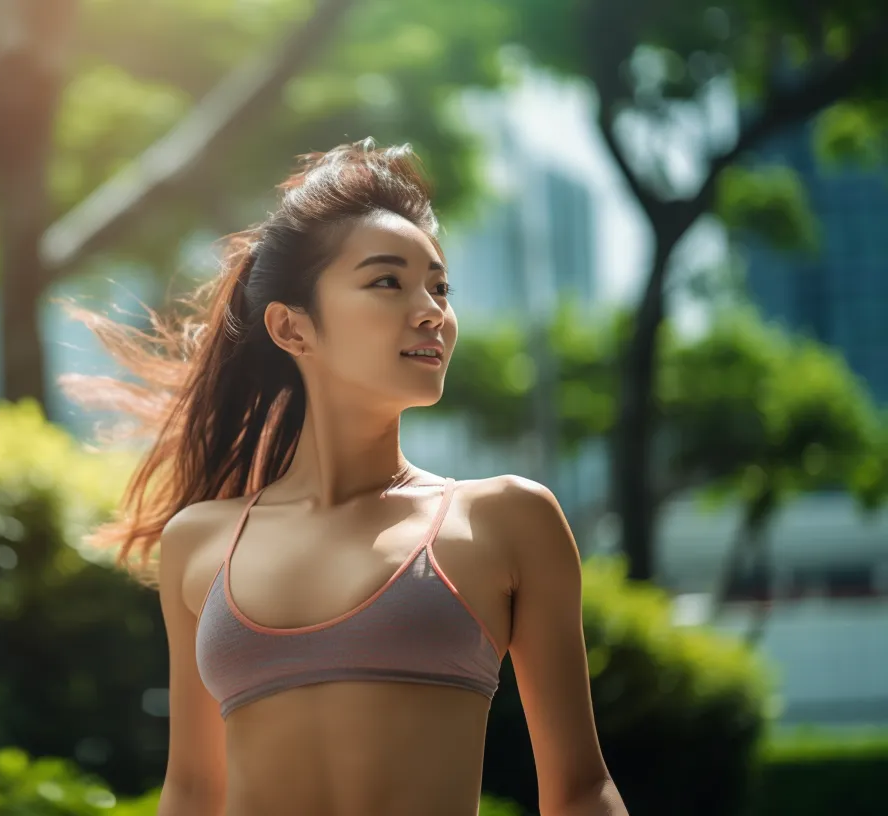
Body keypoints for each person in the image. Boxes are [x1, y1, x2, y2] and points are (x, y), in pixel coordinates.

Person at [71, 140, 628, 816]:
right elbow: (192, 791)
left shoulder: (506, 520)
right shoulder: (201, 540)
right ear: (292, 328)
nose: (432, 311)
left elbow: (579, 791)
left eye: (440, 287)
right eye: (387, 281)